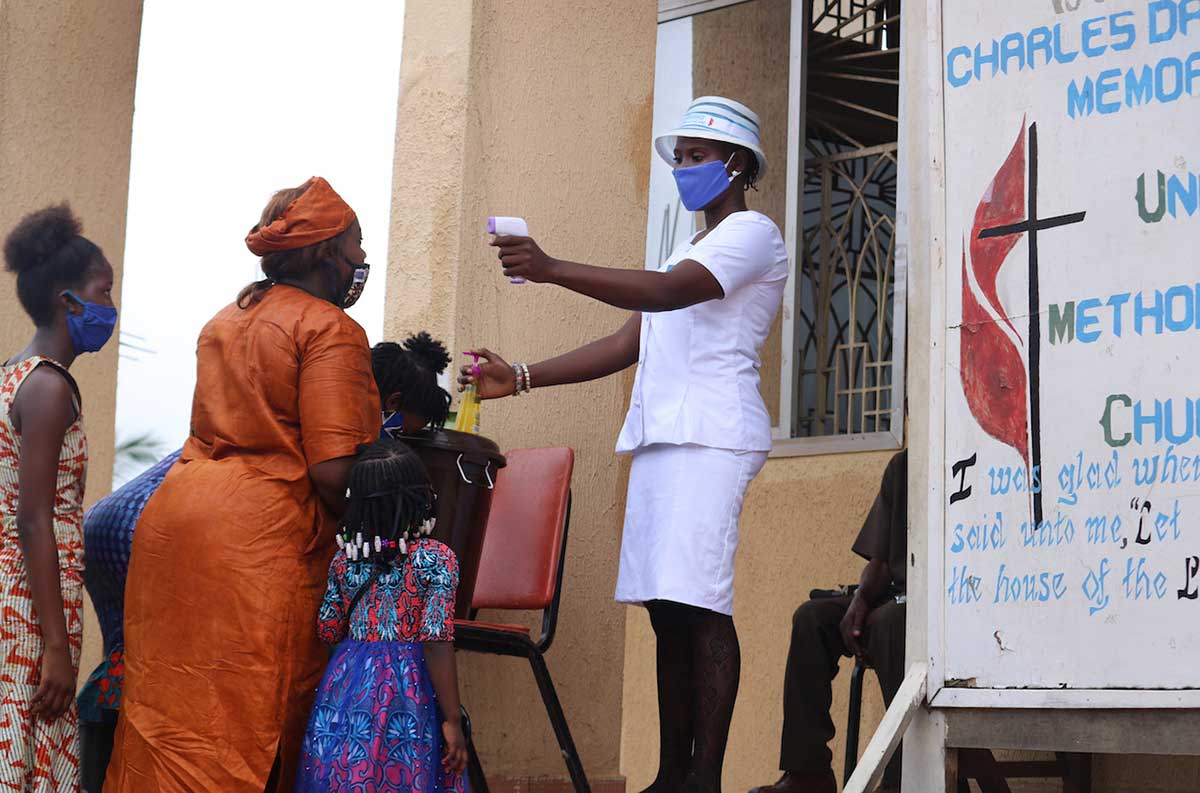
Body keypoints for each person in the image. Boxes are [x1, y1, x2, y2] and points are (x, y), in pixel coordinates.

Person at [459, 96, 787, 793]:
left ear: (735, 163)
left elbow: (669, 295)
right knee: (667, 608)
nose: (684, 168)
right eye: (681, 157)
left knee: (702, 602)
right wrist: (517, 376)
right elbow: (624, 342)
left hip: (714, 434)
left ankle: (704, 777)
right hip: (664, 438)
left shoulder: (754, 233)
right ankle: (672, 774)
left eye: (696, 156)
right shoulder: (685, 247)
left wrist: (550, 267)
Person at [77, 331, 452, 791]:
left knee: (136, 674)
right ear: (390, 402)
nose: (394, 447)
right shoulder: (336, 430)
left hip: (127, 518)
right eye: (405, 431)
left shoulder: (304, 394)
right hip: (165, 531)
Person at [105, 177, 382, 793]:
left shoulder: (225, 319)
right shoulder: (330, 329)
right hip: (259, 547)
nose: (361, 259)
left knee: (167, 719)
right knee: (249, 720)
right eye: (356, 244)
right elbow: (333, 470)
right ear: (323, 253)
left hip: (174, 533)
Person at [1, 204, 117, 793]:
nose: (111, 307)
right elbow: (33, 518)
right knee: (30, 743)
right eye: (104, 290)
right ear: (68, 300)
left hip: (20, 597)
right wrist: (53, 646)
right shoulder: (48, 386)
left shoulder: (13, 375)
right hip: (28, 606)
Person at [296, 438, 468, 792]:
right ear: (422, 496)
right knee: (404, 771)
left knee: (348, 771)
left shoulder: (344, 561)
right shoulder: (437, 559)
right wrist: (452, 718)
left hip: (346, 687)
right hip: (410, 689)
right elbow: (435, 639)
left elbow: (327, 629)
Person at [750, 450, 907, 793]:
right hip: (895, 594)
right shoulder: (904, 466)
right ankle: (809, 773)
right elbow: (880, 560)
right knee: (812, 618)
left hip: (946, 605)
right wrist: (861, 598)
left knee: (890, 623)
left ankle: (903, 779)